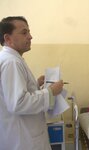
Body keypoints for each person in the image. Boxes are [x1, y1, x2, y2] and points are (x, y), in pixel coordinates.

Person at [0, 16, 64, 150]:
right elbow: (18, 103)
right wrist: (51, 91)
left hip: (22, 135)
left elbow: (11, 94)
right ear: (8, 38)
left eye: (29, 32)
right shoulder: (11, 62)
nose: (30, 37)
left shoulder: (12, 59)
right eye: (24, 33)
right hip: (23, 140)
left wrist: (35, 84)